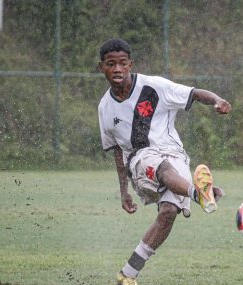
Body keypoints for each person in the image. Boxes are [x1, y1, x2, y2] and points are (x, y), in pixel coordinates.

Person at [97, 39, 232, 285]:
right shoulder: (105, 108)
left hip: (174, 155)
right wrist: (124, 191)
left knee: (169, 212)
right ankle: (199, 193)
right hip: (139, 161)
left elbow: (194, 93)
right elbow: (118, 151)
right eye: (110, 64)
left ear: (130, 65)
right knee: (156, 163)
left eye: (122, 64)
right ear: (101, 68)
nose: (117, 69)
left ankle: (127, 273)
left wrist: (217, 100)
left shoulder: (154, 86)